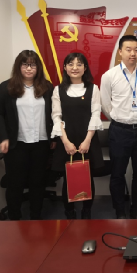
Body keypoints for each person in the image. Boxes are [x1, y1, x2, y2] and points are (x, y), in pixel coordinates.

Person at [0, 50, 54, 221]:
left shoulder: (47, 87)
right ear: (18, 66)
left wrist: (53, 138)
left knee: (38, 182)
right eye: (25, 64)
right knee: (15, 184)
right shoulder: (6, 87)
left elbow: (54, 113)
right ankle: (14, 219)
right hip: (16, 144)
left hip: (41, 143)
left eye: (33, 65)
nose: (29, 68)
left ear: (38, 67)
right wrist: (3, 137)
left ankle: (35, 217)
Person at [101, 36, 137, 220]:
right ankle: (120, 211)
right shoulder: (109, 76)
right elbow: (105, 105)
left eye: (136, 50)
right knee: (117, 173)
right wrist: (120, 120)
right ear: (120, 51)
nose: (133, 53)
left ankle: (136, 209)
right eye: (128, 49)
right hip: (119, 131)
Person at [51, 53, 105, 220]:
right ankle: (69, 212)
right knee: (68, 178)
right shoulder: (58, 90)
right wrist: (66, 142)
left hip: (87, 139)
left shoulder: (93, 89)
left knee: (87, 177)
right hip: (66, 140)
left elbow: (95, 115)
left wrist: (87, 140)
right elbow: (56, 117)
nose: (75, 67)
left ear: (85, 68)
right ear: (65, 68)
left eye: (79, 64)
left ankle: (86, 212)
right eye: (71, 64)